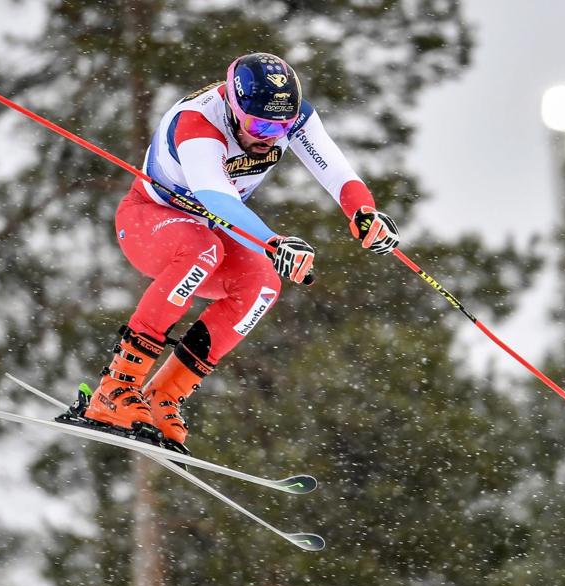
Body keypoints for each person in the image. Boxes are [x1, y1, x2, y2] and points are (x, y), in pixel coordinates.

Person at [77, 52, 400, 453]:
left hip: (210, 229)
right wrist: (274, 243)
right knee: (204, 250)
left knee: (262, 284)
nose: (269, 135)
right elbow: (217, 199)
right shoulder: (198, 123)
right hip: (149, 220)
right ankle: (115, 387)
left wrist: (364, 213)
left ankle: (163, 396)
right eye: (260, 125)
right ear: (232, 106)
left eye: (280, 127)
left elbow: (335, 171)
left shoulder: (289, 118)